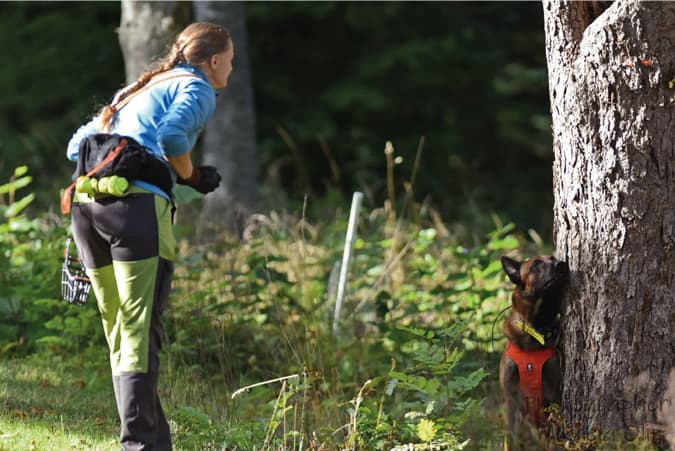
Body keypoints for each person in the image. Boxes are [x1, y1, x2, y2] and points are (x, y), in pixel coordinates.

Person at [65, 22, 234, 450]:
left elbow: (76, 148)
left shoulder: (139, 89)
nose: (230, 70)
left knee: (121, 331)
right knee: (139, 331)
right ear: (213, 61)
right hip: (135, 215)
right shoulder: (197, 90)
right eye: (230, 61)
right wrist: (192, 176)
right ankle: (137, 445)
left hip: (87, 213)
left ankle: (155, 442)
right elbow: (173, 135)